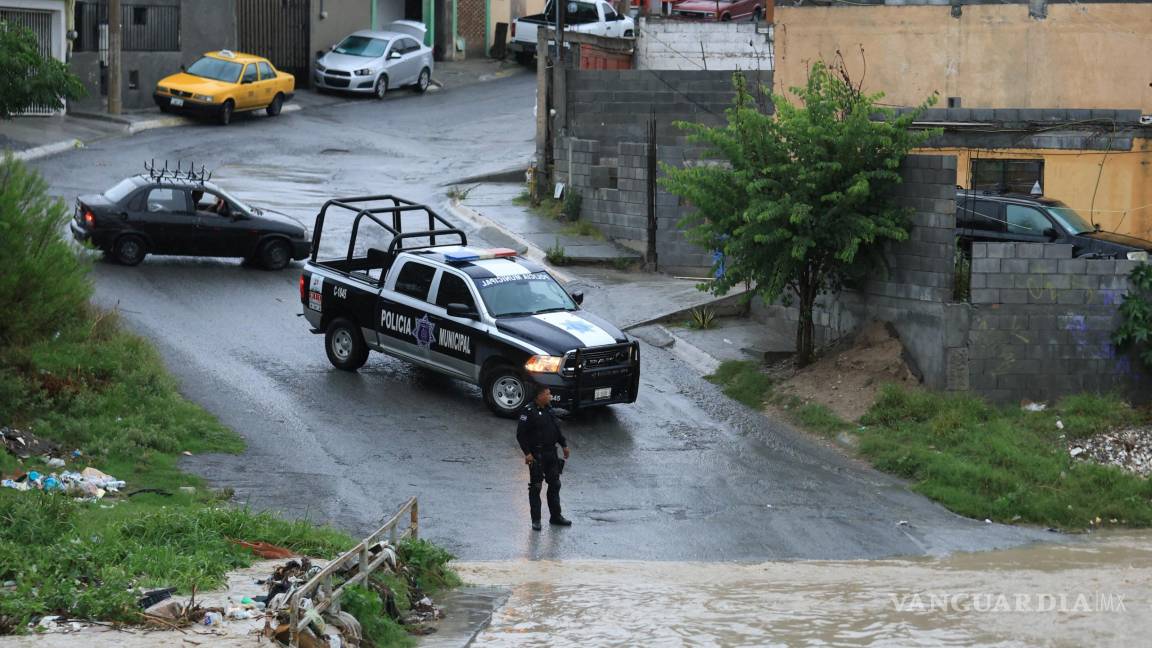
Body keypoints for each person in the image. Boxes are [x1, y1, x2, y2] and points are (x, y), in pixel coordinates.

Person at [516, 384, 571, 530]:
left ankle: (556, 516)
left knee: (555, 484)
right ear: (539, 396)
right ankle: (536, 520)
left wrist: (564, 445)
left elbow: (556, 429)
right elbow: (520, 435)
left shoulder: (549, 409)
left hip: (551, 453)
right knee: (536, 487)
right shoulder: (528, 411)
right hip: (537, 456)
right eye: (547, 394)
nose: (550, 396)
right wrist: (527, 453)